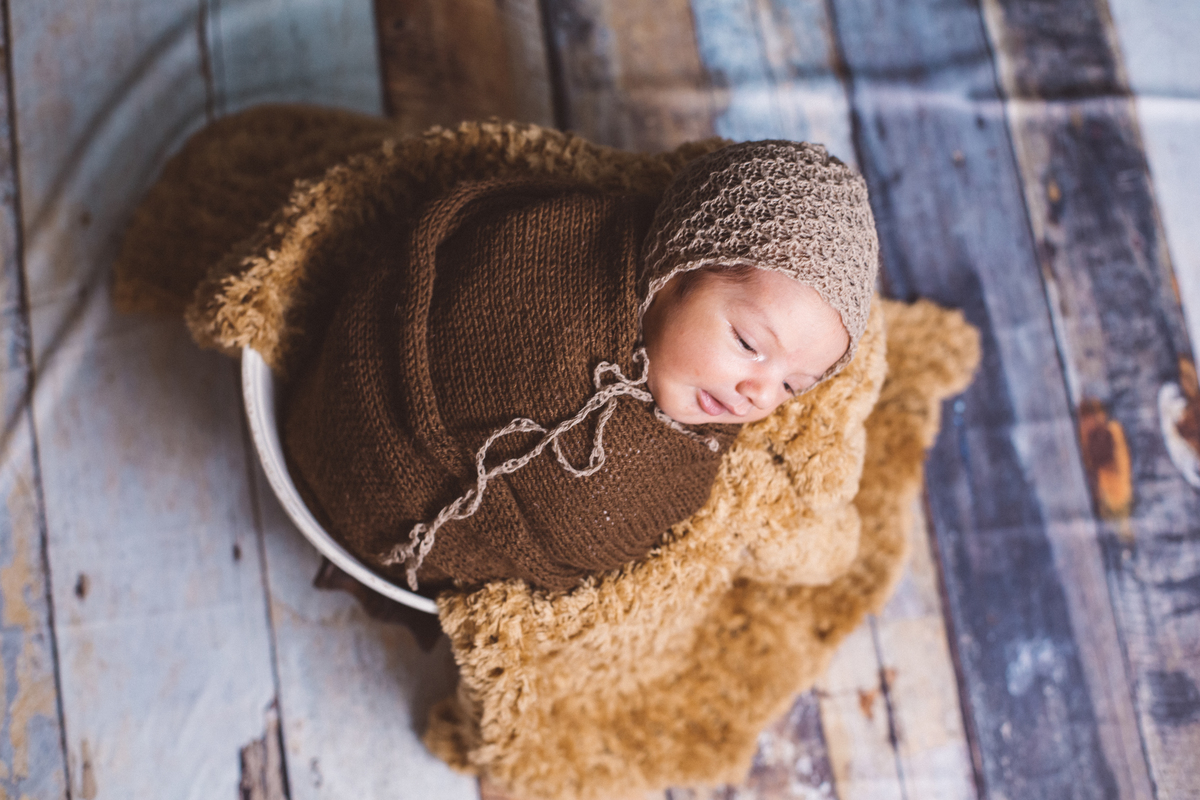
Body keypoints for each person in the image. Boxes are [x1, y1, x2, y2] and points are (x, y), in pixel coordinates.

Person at [282, 139, 879, 594]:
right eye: (749, 344)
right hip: (343, 425)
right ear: (675, 265)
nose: (758, 393)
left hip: (429, 575)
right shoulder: (550, 255)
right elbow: (451, 301)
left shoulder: (690, 466)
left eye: (793, 385)